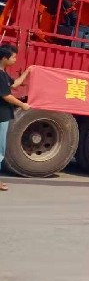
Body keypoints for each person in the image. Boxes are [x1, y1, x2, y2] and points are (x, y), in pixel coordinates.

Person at [0, 44, 31, 192]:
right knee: (0, 150)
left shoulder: (4, 74)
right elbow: (6, 96)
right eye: (13, 57)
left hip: (3, 115)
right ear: (4, 58)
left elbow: (15, 84)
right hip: (1, 116)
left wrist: (27, 72)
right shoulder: (0, 75)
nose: (15, 59)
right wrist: (22, 105)